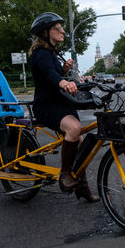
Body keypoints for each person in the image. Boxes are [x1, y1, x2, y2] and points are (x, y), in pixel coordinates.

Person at [28, 12, 99, 203]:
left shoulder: (51, 53)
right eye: (57, 28)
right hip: (47, 106)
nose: (62, 31)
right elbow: (49, 74)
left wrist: (64, 71)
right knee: (74, 128)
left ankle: (82, 188)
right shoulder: (40, 54)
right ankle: (65, 174)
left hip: (61, 104)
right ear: (45, 32)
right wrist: (62, 81)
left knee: (80, 143)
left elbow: (53, 73)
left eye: (62, 27)